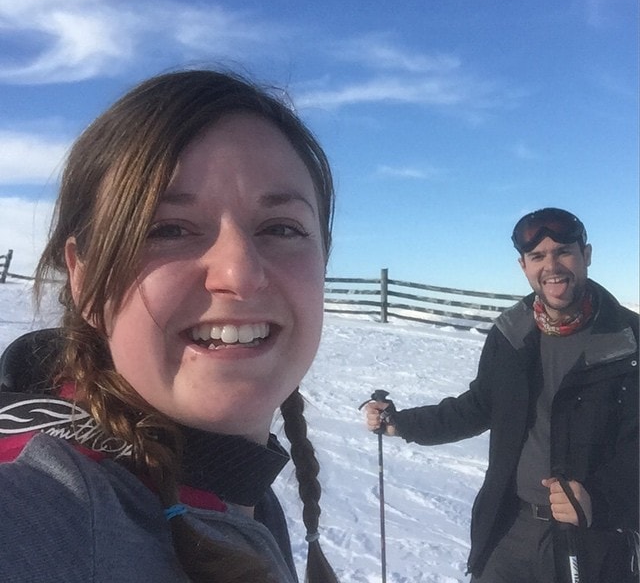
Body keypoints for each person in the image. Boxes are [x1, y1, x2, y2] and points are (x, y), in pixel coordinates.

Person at [0, 69, 339, 583]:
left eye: (281, 228)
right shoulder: (52, 510)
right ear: (85, 278)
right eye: (169, 229)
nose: (241, 274)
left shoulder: (242, 492)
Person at [364, 207, 638, 583]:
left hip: (595, 542)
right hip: (509, 528)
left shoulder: (630, 341)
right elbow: (478, 406)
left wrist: (598, 501)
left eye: (563, 251)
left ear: (586, 255)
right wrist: (401, 422)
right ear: (523, 266)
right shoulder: (512, 334)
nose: (552, 266)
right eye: (537, 256)